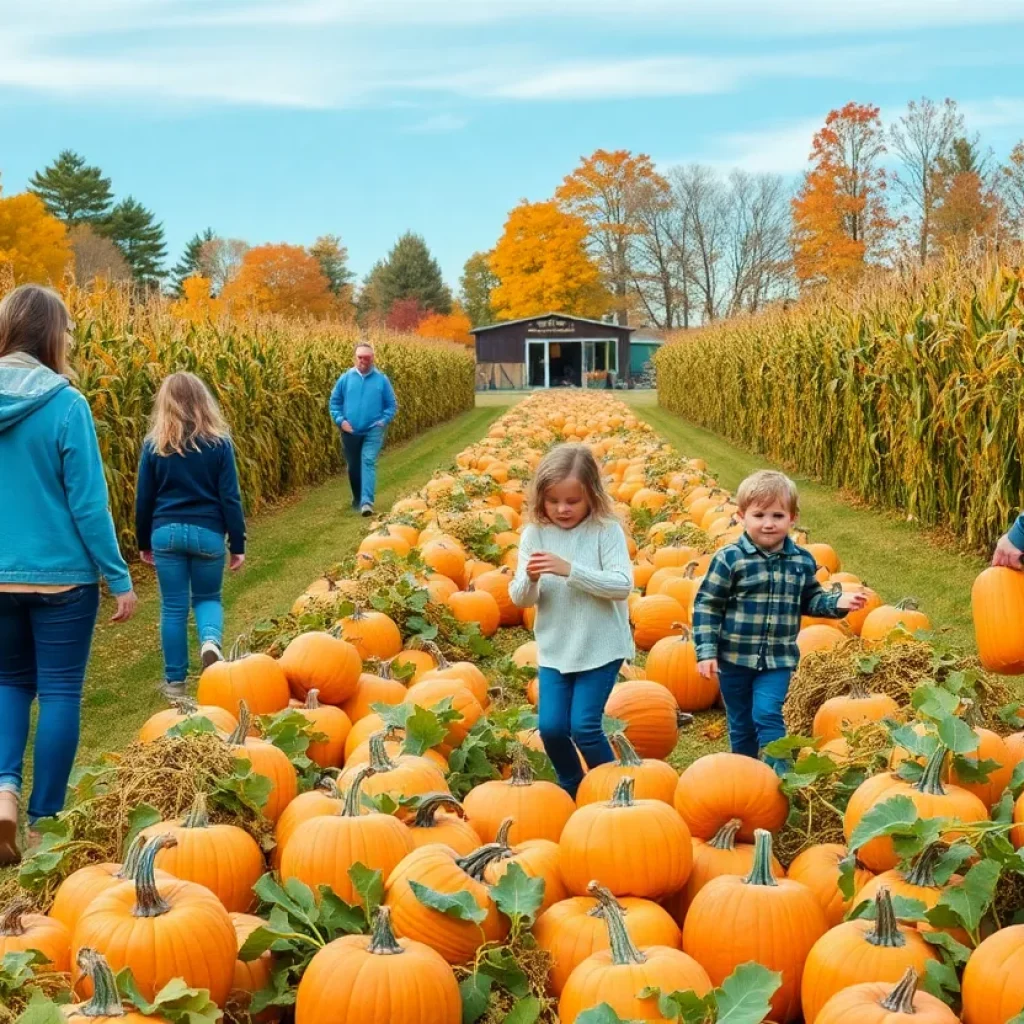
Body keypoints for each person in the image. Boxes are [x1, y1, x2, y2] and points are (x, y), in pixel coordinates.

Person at [0, 284, 137, 865]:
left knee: (7, 683)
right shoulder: (66, 404)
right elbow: (88, 504)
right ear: (54, 335)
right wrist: (118, 575)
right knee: (58, 691)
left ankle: (2, 791)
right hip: (62, 580)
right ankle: (41, 824)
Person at [692, 470, 866, 773]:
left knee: (768, 714)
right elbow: (708, 604)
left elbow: (810, 599)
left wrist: (836, 603)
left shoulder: (801, 561)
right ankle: (745, 776)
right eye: (759, 515)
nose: (768, 523)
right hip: (733, 659)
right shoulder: (729, 559)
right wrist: (706, 650)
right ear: (741, 516)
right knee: (741, 723)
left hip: (778, 660)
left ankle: (781, 778)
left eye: (777, 515)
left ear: (792, 518)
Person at [509, 443, 634, 798]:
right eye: (553, 501)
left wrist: (570, 570)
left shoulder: (604, 530)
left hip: (600, 645)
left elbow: (622, 585)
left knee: (584, 727)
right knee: (550, 728)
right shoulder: (534, 534)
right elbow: (520, 598)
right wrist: (530, 579)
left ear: (592, 495)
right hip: (555, 648)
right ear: (541, 499)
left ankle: (613, 792)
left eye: (572, 501)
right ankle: (573, 787)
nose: (562, 509)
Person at [135, 372, 246, 701]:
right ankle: (210, 642)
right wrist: (236, 543)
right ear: (203, 401)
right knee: (208, 598)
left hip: (165, 532)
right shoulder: (219, 444)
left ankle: (175, 686)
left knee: (172, 608)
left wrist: (143, 542)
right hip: (208, 532)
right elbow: (230, 497)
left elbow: (144, 498)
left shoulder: (154, 446)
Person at [328, 343, 397, 517]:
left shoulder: (381, 380)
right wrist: (340, 421)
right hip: (349, 430)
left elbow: (391, 405)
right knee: (353, 466)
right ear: (355, 358)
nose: (363, 361)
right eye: (360, 357)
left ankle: (367, 502)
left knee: (367, 461)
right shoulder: (345, 378)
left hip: (373, 430)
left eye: (367, 357)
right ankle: (358, 497)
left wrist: (383, 421)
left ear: (372, 358)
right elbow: (334, 403)